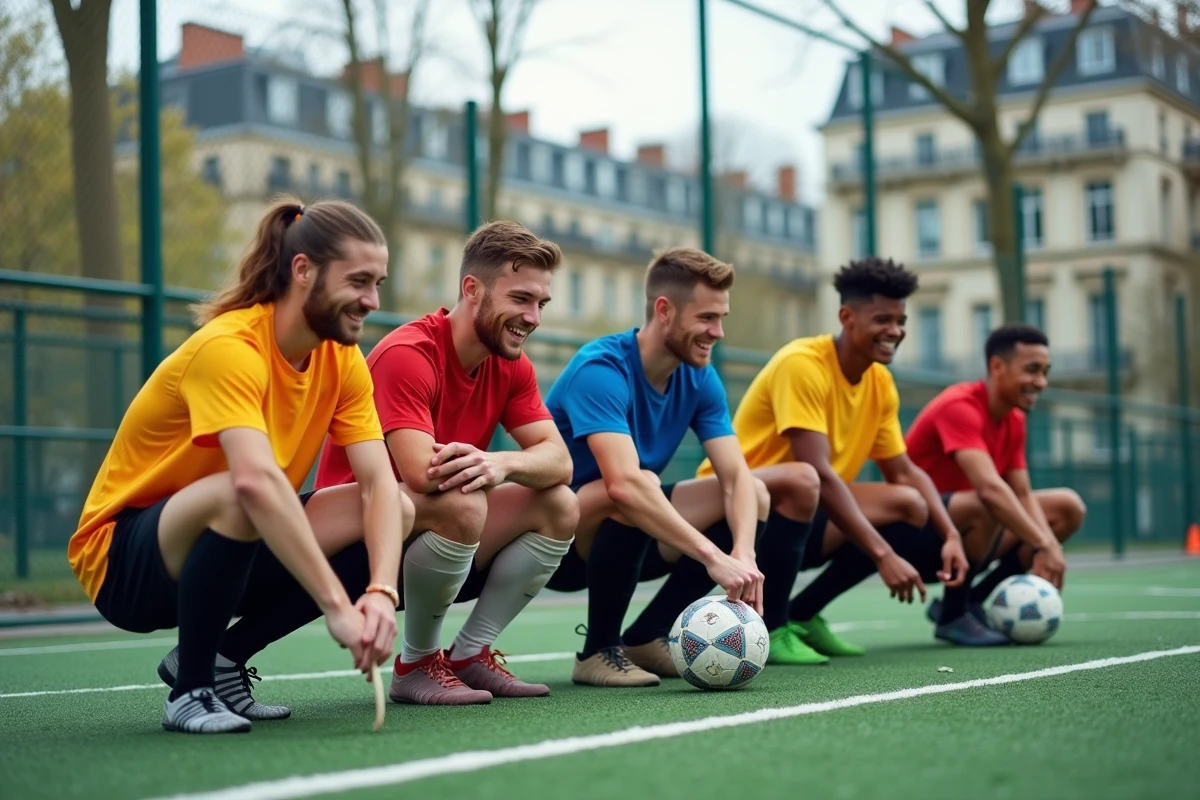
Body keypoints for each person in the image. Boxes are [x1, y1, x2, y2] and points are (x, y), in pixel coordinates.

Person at [165, 220, 579, 706]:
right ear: (472, 289)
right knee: (460, 504)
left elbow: (558, 460)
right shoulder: (409, 353)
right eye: (521, 299)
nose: (533, 317)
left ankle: (469, 654)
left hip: (427, 537)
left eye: (541, 303)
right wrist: (490, 471)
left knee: (559, 504)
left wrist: (501, 464)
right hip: (352, 536)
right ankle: (417, 663)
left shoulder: (512, 365)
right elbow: (422, 473)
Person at [68, 197, 414, 734]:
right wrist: (337, 608)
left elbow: (377, 486)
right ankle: (190, 692)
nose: (372, 300)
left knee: (399, 509)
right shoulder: (229, 347)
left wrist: (381, 593)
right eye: (358, 282)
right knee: (242, 492)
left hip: (236, 540)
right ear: (303, 270)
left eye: (378, 284)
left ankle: (223, 663)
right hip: (125, 561)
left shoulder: (342, 358)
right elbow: (253, 481)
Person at [698, 256, 973, 661]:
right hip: (737, 511)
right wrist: (884, 556)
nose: (895, 331)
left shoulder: (880, 381)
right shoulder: (802, 364)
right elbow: (819, 473)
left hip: (804, 512)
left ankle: (803, 614)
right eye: (883, 319)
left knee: (910, 505)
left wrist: (950, 535)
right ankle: (771, 625)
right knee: (806, 479)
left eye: (901, 321)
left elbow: (903, 471)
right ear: (847, 317)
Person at [543, 246, 777, 688]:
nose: (718, 332)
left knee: (756, 495)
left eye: (721, 318)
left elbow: (736, 478)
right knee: (637, 484)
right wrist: (714, 558)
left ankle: (647, 636)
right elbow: (623, 485)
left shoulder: (699, 375)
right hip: (560, 547)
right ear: (664, 310)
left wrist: (743, 554)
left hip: (633, 535)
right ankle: (597, 650)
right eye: (707, 318)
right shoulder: (600, 368)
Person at [907, 323, 1086, 643]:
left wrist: (1049, 544)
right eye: (1031, 370)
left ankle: (970, 600)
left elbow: (1022, 493)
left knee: (1067, 508)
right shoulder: (959, 406)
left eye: (1045, 372)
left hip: (971, 533)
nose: (1041, 382)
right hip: (917, 539)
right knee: (987, 502)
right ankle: (952, 616)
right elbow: (990, 488)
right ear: (997, 366)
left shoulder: (1014, 419)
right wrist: (1043, 544)